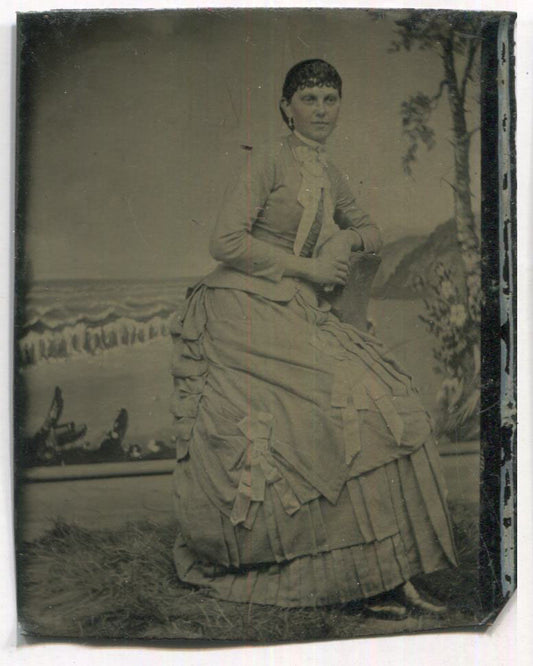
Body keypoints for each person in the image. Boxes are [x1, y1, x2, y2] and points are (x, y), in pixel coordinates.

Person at [170, 60, 457, 619]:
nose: (321, 110)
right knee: (328, 420)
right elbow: (224, 242)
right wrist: (306, 267)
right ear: (285, 108)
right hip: (240, 310)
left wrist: (343, 242)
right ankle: (352, 580)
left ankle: (390, 574)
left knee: (380, 405)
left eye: (330, 99)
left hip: (292, 306)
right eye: (310, 100)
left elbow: (370, 231)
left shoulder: (327, 171)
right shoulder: (267, 162)